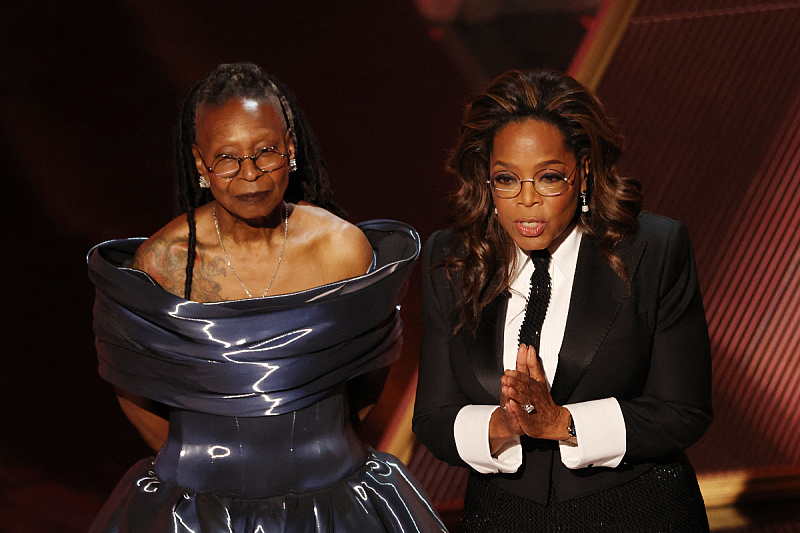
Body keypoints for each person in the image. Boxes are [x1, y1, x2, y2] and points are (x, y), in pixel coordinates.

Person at [87, 62, 446, 532]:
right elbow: (131, 384)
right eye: (228, 158)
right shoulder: (165, 264)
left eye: (265, 152)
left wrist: (317, 454)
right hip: (199, 514)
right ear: (201, 163)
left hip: (336, 506)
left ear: (290, 148)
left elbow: (367, 371)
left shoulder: (342, 249)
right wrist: (210, 467)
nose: (250, 174)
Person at [413, 69, 712, 531]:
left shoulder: (652, 248)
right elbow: (433, 419)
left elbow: (683, 411)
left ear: (584, 171)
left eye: (549, 178)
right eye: (506, 179)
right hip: (500, 517)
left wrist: (560, 423)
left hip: (637, 511)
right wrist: (506, 423)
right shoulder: (452, 260)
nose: (526, 201)